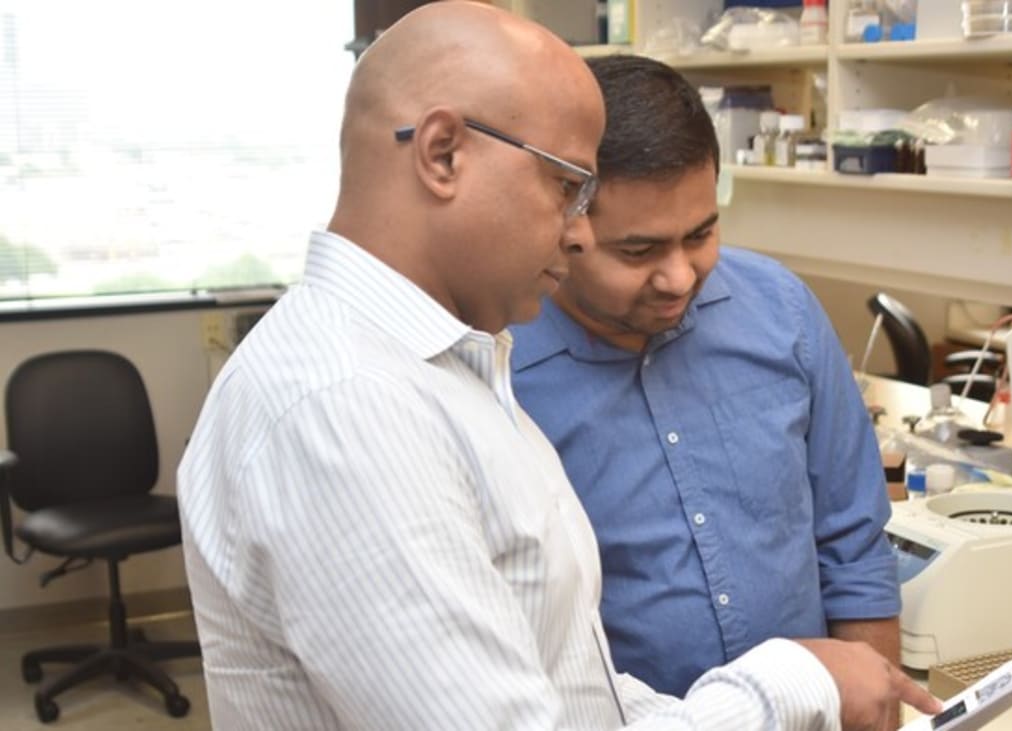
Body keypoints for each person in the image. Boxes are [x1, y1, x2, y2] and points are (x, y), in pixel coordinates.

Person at [178, 2, 939, 729]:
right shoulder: (344, 403)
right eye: (567, 187)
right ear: (443, 154)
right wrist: (793, 681)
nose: (579, 236)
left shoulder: (452, 368)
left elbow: (575, 690)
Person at [510, 54, 904, 721]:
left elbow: (854, 544)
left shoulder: (782, 312)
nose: (679, 277)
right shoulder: (502, 370)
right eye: (638, 251)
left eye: (701, 234)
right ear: (563, 221)